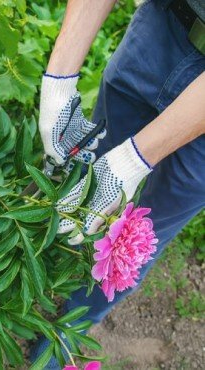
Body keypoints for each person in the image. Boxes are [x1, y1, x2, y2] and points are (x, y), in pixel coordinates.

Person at [32, 0, 205, 368]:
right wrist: (59, 80)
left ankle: (71, 323)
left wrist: (134, 160)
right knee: (89, 172)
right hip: (165, 24)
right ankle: (37, 265)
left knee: (143, 232)